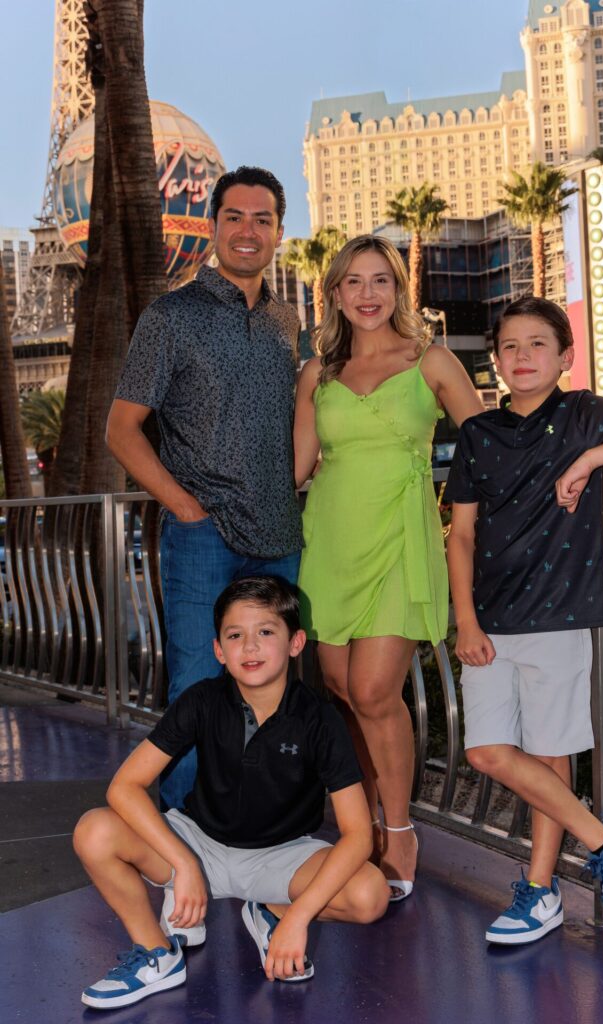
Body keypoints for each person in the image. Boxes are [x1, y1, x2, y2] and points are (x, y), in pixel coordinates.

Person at [446, 295, 603, 945]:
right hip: (489, 621)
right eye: (509, 347)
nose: (521, 357)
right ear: (495, 361)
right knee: (487, 751)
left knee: (550, 761)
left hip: (558, 617)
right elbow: (460, 535)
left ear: (564, 357)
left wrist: (590, 459)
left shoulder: (582, 415)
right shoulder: (476, 435)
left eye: (536, 345)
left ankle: (540, 892)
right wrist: (464, 621)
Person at [74, 575, 389, 1010]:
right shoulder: (202, 700)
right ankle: (157, 954)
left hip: (282, 855)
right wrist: (184, 863)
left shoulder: (320, 720)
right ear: (219, 650)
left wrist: (298, 918)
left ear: (296, 643)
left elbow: (358, 835)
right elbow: (124, 787)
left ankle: (272, 912)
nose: (251, 647)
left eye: (266, 632)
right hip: (198, 843)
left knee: (370, 894)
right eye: (235, 635)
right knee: (94, 831)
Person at [106, 166, 303, 810]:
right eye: (235, 218)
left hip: (280, 539)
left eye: (263, 219)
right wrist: (184, 507)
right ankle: (183, 837)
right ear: (214, 227)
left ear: (279, 231)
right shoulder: (170, 317)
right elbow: (122, 429)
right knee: (196, 689)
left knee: (275, 689)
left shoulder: (285, 323)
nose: (249, 231)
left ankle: (260, 821)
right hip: (203, 539)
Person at [294, 235, 482, 901]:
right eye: (353, 282)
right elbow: (294, 469)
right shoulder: (317, 373)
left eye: (380, 280)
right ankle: (362, 826)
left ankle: (399, 829)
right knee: (344, 690)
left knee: (375, 690)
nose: (367, 294)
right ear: (335, 295)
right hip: (330, 542)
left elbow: (482, 448)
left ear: (397, 290)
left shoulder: (429, 360)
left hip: (401, 537)